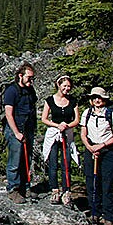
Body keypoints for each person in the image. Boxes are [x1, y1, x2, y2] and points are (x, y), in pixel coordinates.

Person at [80, 86, 113, 225]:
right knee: (92, 182)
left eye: (100, 97)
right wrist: (90, 147)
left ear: (104, 99)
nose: (97, 100)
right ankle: (94, 213)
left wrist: (101, 146)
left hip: (108, 150)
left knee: (107, 183)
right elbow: (83, 133)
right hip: (91, 149)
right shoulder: (87, 113)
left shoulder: (112, 114)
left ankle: (109, 217)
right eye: (94, 97)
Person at [41, 75, 79, 206]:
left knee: (66, 163)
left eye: (69, 86)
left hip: (67, 134)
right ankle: (54, 190)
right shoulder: (50, 100)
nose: (67, 88)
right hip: (54, 133)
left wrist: (67, 126)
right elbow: (44, 118)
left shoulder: (73, 101)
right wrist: (57, 125)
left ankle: (67, 191)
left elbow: (76, 120)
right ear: (59, 85)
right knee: (53, 163)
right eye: (65, 86)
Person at [3, 62, 37, 204]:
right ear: (20, 76)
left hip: (28, 128)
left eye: (32, 78)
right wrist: (16, 132)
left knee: (26, 159)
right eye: (29, 78)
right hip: (15, 129)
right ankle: (13, 189)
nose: (31, 81)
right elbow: (8, 114)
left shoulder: (30, 90)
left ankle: (25, 186)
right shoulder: (12, 91)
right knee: (15, 161)